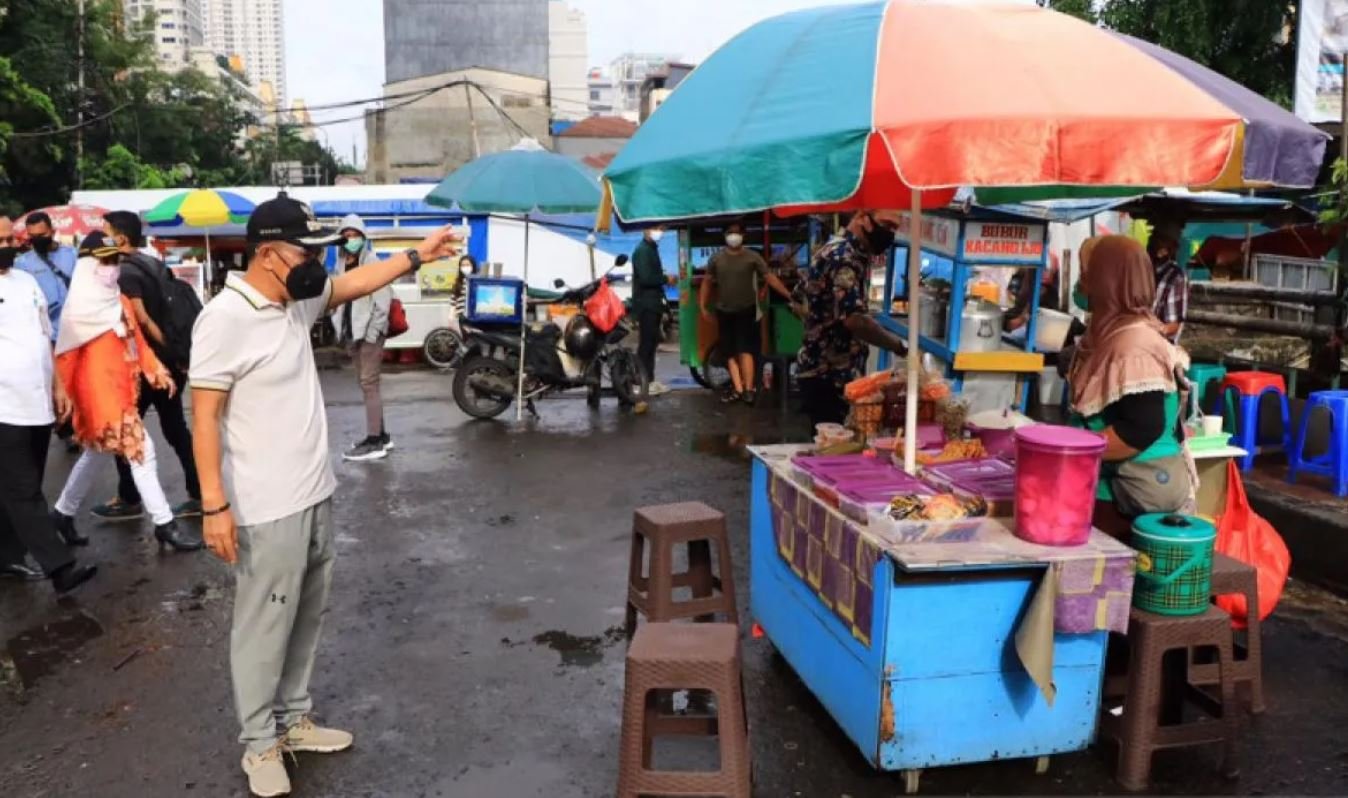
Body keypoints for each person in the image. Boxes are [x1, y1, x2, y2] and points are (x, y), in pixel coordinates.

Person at [190, 193, 457, 798]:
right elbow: (203, 418)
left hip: (315, 492)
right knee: (263, 626)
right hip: (266, 504)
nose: (315, 261)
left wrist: (418, 254)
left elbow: (355, 280)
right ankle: (259, 745)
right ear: (266, 254)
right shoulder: (225, 318)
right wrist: (215, 505)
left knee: (305, 617)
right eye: (303, 250)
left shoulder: (294, 299)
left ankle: (293, 721)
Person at [49, 233, 202, 553]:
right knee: (142, 451)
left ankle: (62, 514)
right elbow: (65, 357)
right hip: (98, 396)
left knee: (94, 454)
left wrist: (155, 369)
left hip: (123, 390)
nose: (112, 267)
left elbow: (137, 341)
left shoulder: (118, 301)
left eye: (115, 260)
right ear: (88, 265)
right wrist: (62, 393)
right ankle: (164, 524)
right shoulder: (78, 309)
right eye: (105, 261)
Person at [1066, 236, 1194, 540]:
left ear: (1108, 282)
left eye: (1088, 274)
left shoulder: (1134, 344)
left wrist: (1066, 452)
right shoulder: (1109, 335)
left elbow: (1141, 428)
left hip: (1138, 500)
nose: (1081, 284)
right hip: (1111, 489)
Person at [0, 220, 98, 592]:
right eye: (2, 240)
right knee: (22, 489)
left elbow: (46, 337)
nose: (9, 245)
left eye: (12, 238)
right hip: (3, 404)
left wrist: (59, 387)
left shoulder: (26, 282)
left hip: (36, 401)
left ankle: (6, 556)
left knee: (16, 486)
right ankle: (60, 568)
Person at [90, 211, 202, 522]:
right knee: (175, 429)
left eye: (106, 232)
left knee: (126, 428)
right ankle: (198, 493)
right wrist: (178, 356)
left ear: (121, 238)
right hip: (169, 363)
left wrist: (163, 351)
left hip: (148, 365)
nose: (103, 238)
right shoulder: (152, 262)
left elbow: (141, 319)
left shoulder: (125, 272)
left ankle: (128, 498)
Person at [796, 211, 910, 426]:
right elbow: (854, 320)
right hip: (830, 378)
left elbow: (798, 300)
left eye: (894, 228)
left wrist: (820, 324)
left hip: (820, 370)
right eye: (886, 224)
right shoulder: (845, 258)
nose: (889, 233)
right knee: (835, 449)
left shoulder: (836, 249)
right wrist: (898, 346)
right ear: (863, 218)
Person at [700, 222, 794, 404]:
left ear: (744, 235)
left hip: (747, 310)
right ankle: (738, 388)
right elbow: (707, 282)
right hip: (724, 311)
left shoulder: (753, 257)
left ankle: (749, 389)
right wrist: (703, 305)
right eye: (730, 232)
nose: (733, 236)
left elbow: (769, 277)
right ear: (725, 235)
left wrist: (788, 294)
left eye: (737, 233)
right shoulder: (716, 259)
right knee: (729, 352)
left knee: (745, 350)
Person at [334, 214, 394, 462]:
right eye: (346, 236)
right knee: (367, 384)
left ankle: (373, 441)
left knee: (369, 384)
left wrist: (372, 333)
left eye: (355, 235)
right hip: (352, 332)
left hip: (368, 334)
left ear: (363, 237)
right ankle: (381, 435)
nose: (351, 240)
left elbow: (383, 302)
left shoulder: (371, 262)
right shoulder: (341, 263)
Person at [630, 225, 674, 396]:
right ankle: (640, 381)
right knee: (646, 344)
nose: (660, 232)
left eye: (662, 229)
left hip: (653, 303)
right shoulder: (642, 251)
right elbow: (647, 278)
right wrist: (665, 278)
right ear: (646, 230)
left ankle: (649, 380)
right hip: (646, 304)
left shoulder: (651, 249)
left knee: (651, 343)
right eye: (657, 228)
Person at [1147, 219, 1188, 343]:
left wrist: (1148, 331)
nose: (1159, 247)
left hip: (1160, 345)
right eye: (1155, 240)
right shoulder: (1143, 269)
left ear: (1172, 249)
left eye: (1164, 244)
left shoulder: (1175, 277)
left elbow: (1173, 325)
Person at [1004, 252, 1061, 333]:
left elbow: (1041, 289)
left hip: (1040, 316)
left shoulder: (1047, 258)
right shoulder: (1031, 257)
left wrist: (1022, 318)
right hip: (1025, 309)